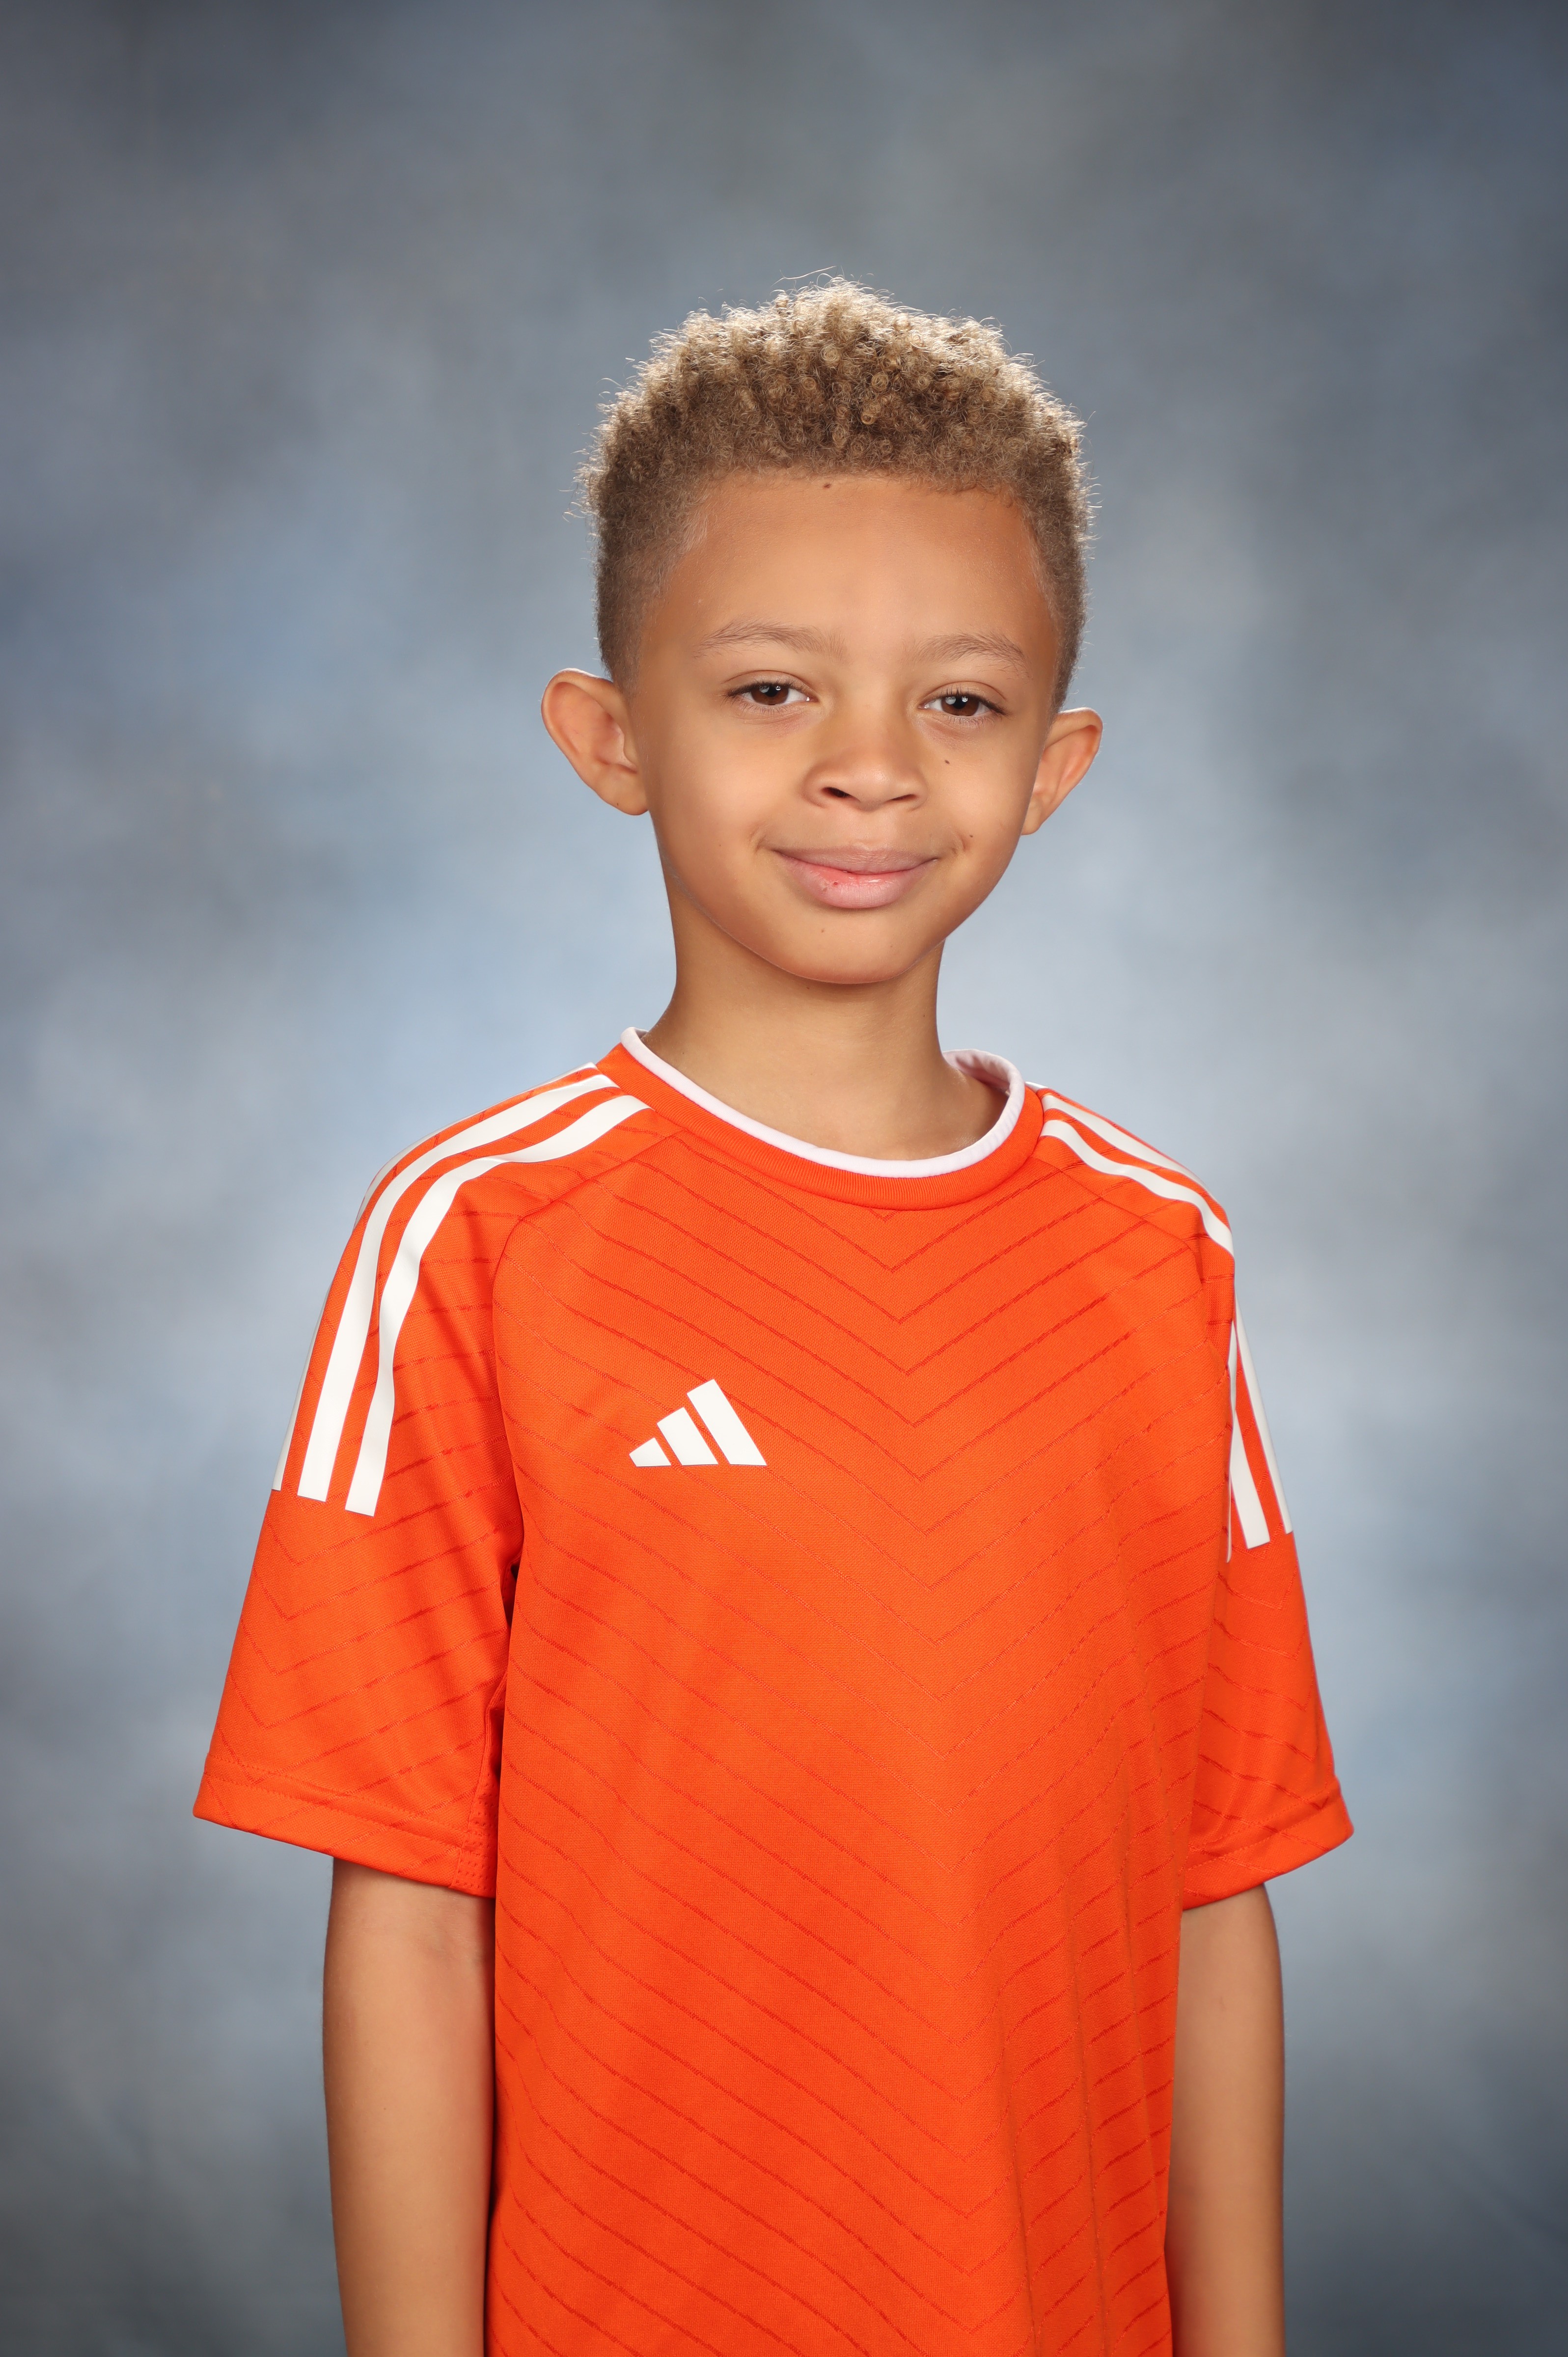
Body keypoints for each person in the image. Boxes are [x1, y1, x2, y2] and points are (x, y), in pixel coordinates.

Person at [196, 280, 1350, 2357]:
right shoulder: (475, 1241)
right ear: (609, 736)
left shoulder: (1155, 1254)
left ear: (1056, 764)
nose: (869, 772)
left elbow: (1213, 1889)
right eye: (769, 689)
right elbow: (409, 1921)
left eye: (960, 702)